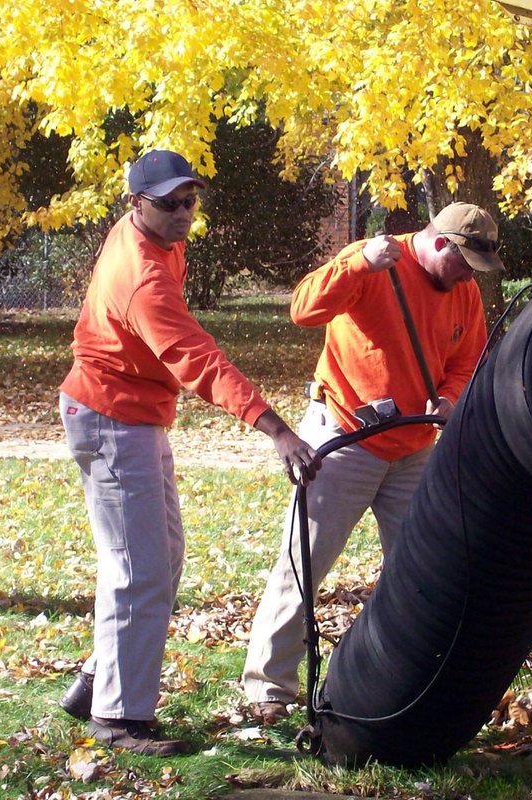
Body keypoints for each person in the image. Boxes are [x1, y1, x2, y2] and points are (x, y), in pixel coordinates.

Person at [56, 149, 318, 756]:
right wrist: (275, 427)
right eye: (168, 204)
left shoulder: (154, 237)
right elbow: (195, 357)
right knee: (137, 568)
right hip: (110, 416)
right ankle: (118, 719)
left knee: (160, 555)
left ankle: (98, 679)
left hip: (131, 415)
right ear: (135, 204)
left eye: (189, 202)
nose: (182, 215)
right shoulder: (143, 276)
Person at [242, 202, 503, 724]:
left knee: (423, 569)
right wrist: (356, 264)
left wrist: (450, 399)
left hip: (413, 448)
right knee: (304, 561)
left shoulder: (464, 291)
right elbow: (302, 309)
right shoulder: (372, 262)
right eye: (463, 264)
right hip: (345, 435)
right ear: (440, 243)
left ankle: (413, 680)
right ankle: (268, 686)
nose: (467, 279)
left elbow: (467, 359)